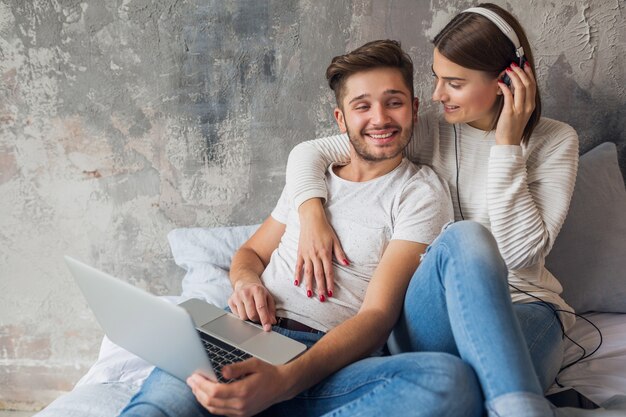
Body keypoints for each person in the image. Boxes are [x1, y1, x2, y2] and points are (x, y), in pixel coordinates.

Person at [118, 40, 484, 417]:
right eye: (362, 106)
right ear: (340, 119)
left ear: (414, 109)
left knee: (447, 379)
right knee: (156, 408)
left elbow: (377, 317)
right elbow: (250, 254)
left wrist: (284, 380)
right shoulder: (311, 179)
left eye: (394, 102)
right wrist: (246, 283)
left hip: (326, 365)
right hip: (243, 335)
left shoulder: (419, 192)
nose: (380, 118)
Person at [286, 3, 582, 417]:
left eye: (455, 83)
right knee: (464, 237)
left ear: (507, 82)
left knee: (478, 397)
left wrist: (507, 144)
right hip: (432, 306)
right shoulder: (426, 126)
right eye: (438, 79)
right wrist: (311, 214)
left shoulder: (555, 141)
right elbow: (309, 152)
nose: (439, 94)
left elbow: (517, 256)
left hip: (525, 303)